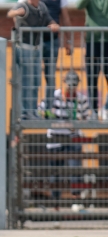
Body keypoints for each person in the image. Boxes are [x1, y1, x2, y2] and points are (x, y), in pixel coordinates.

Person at [39, 71, 89, 210]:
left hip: (73, 138)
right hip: (55, 137)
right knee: (55, 172)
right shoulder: (53, 97)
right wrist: (50, 115)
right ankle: (56, 204)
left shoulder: (81, 99)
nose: (71, 89)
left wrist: (77, 122)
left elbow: (85, 117)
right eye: (69, 86)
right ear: (64, 83)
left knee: (75, 170)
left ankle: (76, 202)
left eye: (74, 86)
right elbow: (40, 111)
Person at [8, 0, 60, 119]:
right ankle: (24, 112)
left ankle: (32, 111)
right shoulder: (24, 6)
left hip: (36, 49)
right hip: (24, 48)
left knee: (35, 81)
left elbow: (48, 18)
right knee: (26, 82)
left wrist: (54, 24)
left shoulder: (42, 7)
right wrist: (16, 13)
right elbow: (11, 13)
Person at [18, 0, 72, 105]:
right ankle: (30, 110)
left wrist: (69, 41)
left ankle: (48, 109)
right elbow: (19, 13)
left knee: (50, 76)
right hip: (33, 43)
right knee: (32, 76)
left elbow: (65, 18)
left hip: (51, 41)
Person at [77, 0, 108, 116]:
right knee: (92, 78)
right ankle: (94, 111)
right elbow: (79, 6)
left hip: (107, 42)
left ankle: (106, 109)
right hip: (92, 42)